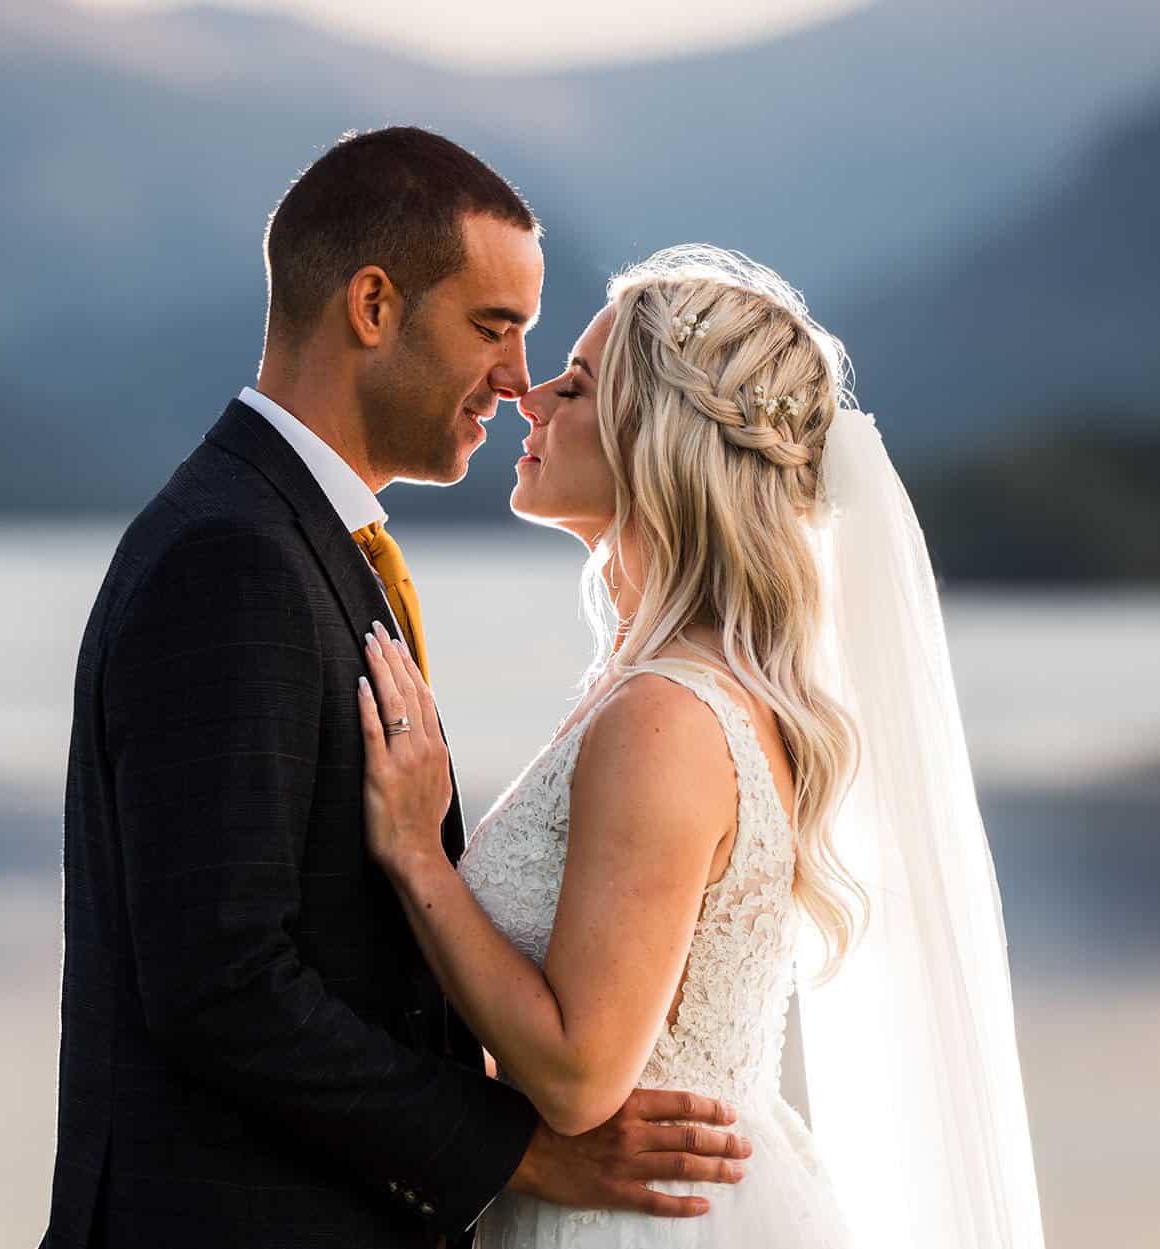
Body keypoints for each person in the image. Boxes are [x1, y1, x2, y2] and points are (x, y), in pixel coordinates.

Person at [40, 130, 749, 1249]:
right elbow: (221, 984)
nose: (518, 380)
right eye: (494, 327)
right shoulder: (231, 558)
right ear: (373, 305)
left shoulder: (299, 539)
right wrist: (517, 1150)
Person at [356, 245, 1047, 1248]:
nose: (531, 396)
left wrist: (417, 856)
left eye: (578, 384)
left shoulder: (666, 715)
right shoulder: (676, 688)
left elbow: (583, 1072)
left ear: (660, 439)